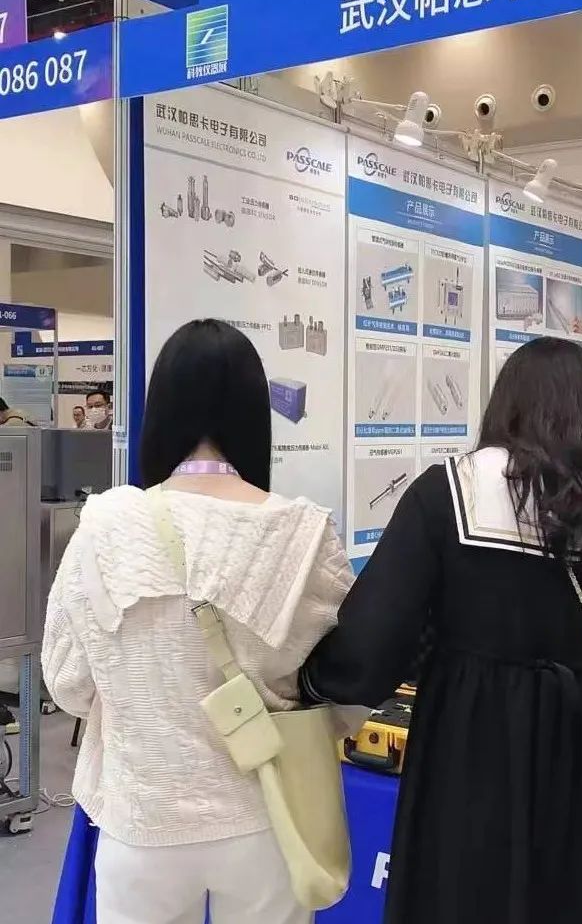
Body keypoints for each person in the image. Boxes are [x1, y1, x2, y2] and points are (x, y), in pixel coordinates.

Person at [301, 337, 582, 924]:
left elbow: (375, 640)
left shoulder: (449, 492)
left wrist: (310, 682)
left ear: (507, 405)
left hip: (468, 747)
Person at [42, 319, 353, 924]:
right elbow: (344, 687)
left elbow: (69, 684)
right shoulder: (304, 533)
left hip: (142, 817)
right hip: (267, 813)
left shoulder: (104, 527)